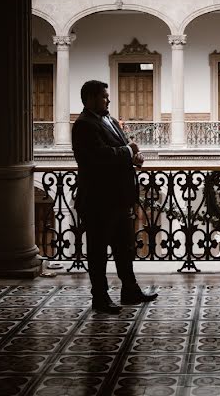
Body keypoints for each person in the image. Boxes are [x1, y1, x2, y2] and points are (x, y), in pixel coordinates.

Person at [72, 80, 157, 313]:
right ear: (90, 98)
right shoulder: (84, 125)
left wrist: (134, 157)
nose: (108, 100)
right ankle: (99, 297)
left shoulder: (108, 119)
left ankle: (129, 290)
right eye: (103, 96)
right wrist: (129, 151)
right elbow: (98, 157)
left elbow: (123, 148)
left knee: (124, 247)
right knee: (98, 253)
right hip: (99, 200)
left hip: (118, 198)